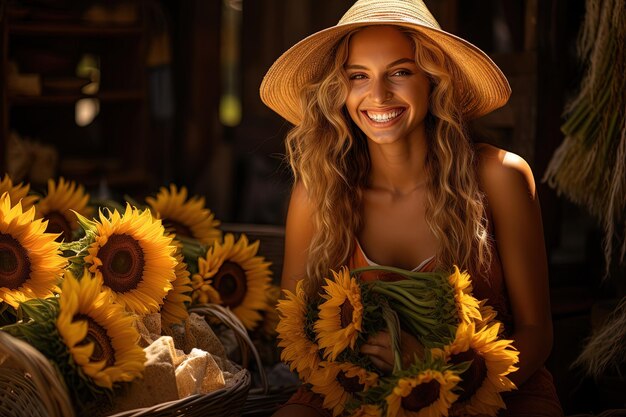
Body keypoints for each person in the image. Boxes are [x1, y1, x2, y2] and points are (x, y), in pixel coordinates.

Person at [260, 0, 563, 415]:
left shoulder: (499, 176)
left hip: (492, 393)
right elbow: (294, 333)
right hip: (356, 395)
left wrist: (441, 372)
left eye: (400, 72)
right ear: (340, 90)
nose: (378, 94)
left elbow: (536, 333)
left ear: (434, 81)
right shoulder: (319, 194)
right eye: (358, 76)